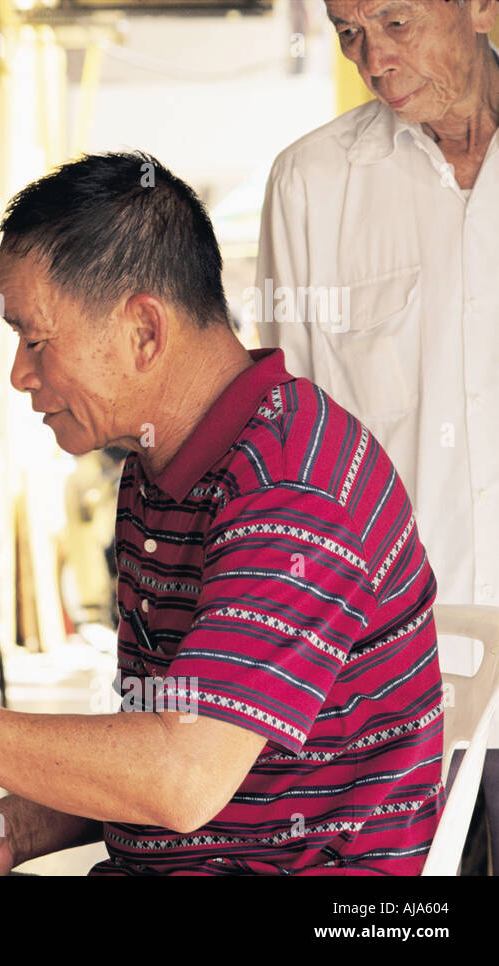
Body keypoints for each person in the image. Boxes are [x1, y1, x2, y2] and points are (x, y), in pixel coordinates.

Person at [0, 151, 444, 875]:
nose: (19, 374)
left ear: (143, 331)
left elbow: (180, 774)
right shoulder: (159, 468)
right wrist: (5, 827)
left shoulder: (293, 486)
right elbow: (144, 746)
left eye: (36, 339)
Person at [257, 0, 498, 872]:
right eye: (349, 32)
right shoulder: (314, 186)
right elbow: (290, 464)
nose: (374, 58)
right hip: (393, 710)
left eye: (395, 23)